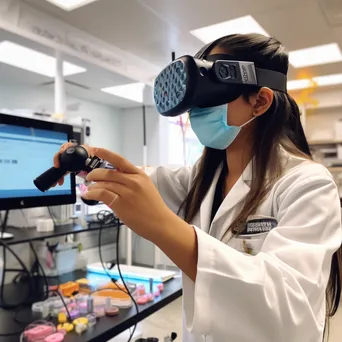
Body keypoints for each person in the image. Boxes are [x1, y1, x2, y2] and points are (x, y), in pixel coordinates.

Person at [54, 34, 342, 342]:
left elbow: (289, 310)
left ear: (259, 101)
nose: (197, 113)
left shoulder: (308, 184)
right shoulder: (200, 179)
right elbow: (138, 177)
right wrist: (86, 163)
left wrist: (162, 227)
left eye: (210, 97)